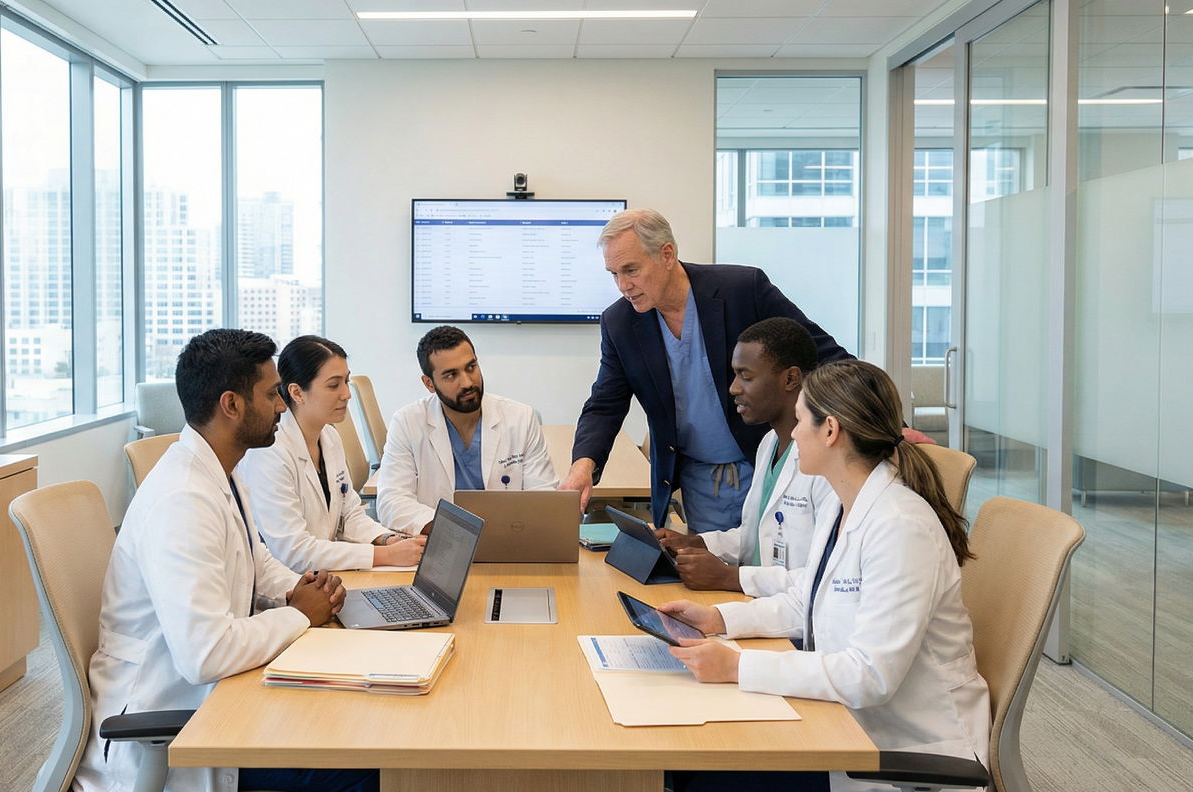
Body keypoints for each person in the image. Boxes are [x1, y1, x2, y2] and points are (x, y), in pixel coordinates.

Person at [659, 359, 999, 792]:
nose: (793, 434)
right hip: (851, 731)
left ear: (832, 430)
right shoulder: (848, 507)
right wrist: (719, 620)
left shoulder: (899, 526)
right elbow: (805, 600)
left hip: (903, 756)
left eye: (800, 421)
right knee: (692, 769)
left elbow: (870, 675)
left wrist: (737, 667)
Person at [73, 329, 379, 792]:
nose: (282, 404)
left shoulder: (216, 468)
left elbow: (255, 557)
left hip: (215, 701)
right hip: (175, 728)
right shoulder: (183, 499)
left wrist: (296, 588)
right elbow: (204, 654)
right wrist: (297, 613)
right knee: (363, 777)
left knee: (353, 729)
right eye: (271, 394)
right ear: (232, 405)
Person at [559, 209, 852, 534]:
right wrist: (582, 466)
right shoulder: (620, 323)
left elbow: (824, 355)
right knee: (715, 572)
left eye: (631, 270)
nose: (623, 286)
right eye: (613, 273)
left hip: (772, 462)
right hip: (701, 480)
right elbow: (605, 404)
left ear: (667, 254)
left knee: (783, 563)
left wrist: (889, 425)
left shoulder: (742, 289)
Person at [654, 317, 838, 595]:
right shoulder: (770, 442)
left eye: (746, 377)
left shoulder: (829, 461)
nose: (734, 389)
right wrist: (697, 544)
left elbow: (824, 578)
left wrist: (730, 577)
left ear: (790, 378)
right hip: (761, 606)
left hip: (793, 623)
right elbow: (757, 538)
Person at [241, 334, 427, 572]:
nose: (346, 394)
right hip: (287, 588)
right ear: (297, 393)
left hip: (324, 575)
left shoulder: (328, 436)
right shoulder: (268, 452)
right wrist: (385, 555)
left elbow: (349, 515)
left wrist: (389, 540)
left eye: (346, 382)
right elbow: (293, 551)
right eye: (333, 385)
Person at [375, 326, 559, 534]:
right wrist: (459, 530)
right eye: (451, 375)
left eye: (471, 367)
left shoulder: (520, 418)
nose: (467, 382)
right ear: (429, 384)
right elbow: (391, 502)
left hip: (511, 539)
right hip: (442, 542)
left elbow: (545, 497)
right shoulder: (408, 423)